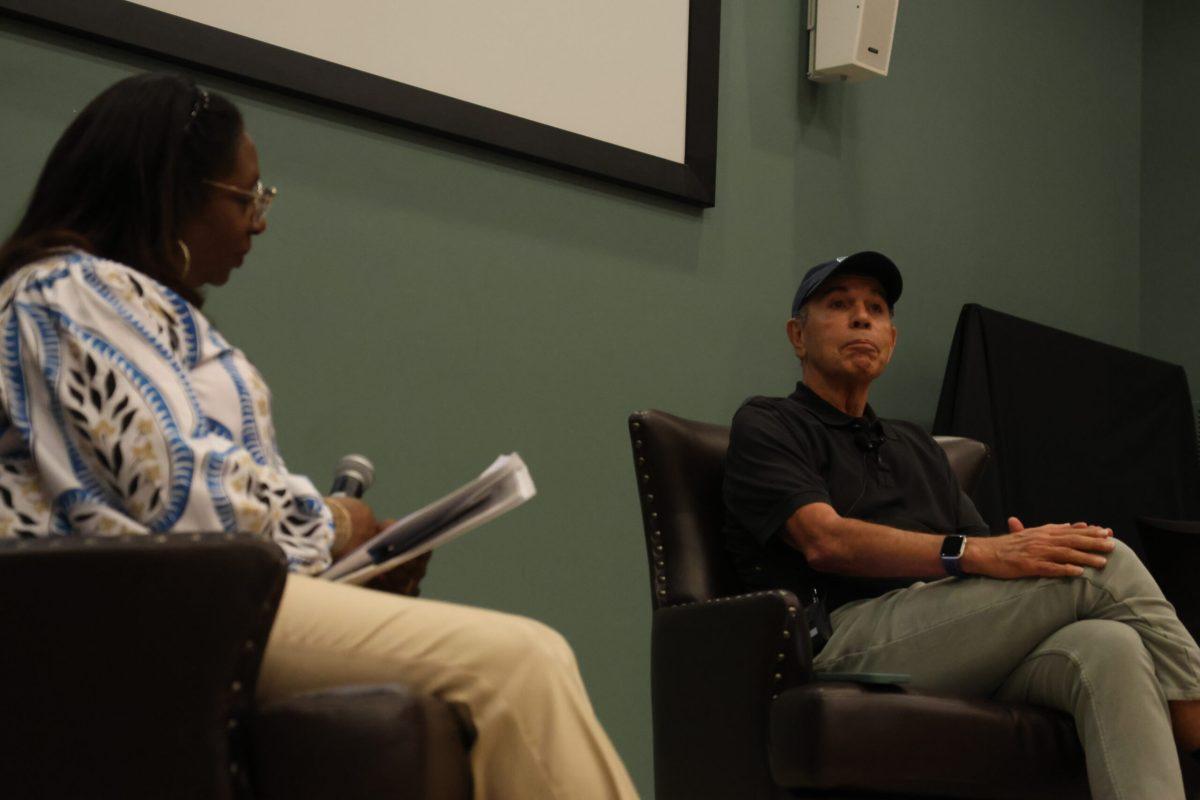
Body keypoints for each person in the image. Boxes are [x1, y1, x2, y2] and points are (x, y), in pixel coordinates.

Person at [0, 73, 638, 800]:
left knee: (513, 662)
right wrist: (334, 526)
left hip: (202, 600)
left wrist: (355, 564)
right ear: (168, 191)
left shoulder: (126, 305)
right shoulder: (61, 293)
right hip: (139, 616)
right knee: (523, 659)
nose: (259, 221)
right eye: (246, 198)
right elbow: (182, 494)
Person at [722, 250, 1200, 800]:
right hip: (845, 636)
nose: (861, 318)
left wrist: (1018, 548)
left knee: (1112, 646)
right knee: (1099, 560)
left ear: (891, 341)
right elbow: (824, 541)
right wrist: (976, 554)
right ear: (797, 335)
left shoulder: (919, 448)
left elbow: (988, 551)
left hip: (953, 635)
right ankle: (1195, 724)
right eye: (838, 304)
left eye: (875, 309)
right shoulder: (769, 423)